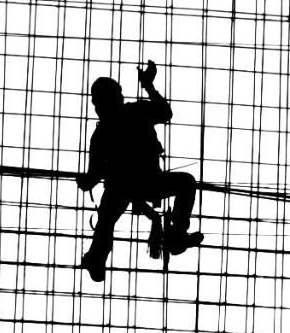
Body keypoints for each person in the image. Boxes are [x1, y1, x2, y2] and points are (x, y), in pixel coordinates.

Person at [76, 61, 203, 282]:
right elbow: (165, 112)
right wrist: (148, 86)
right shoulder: (133, 113)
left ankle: (97, 257)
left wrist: (84, 181)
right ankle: (176, 234)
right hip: (145, 182)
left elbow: (92, 178)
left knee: (106, 220)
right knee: (186, 183)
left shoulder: (104, 132)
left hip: (123, 186)